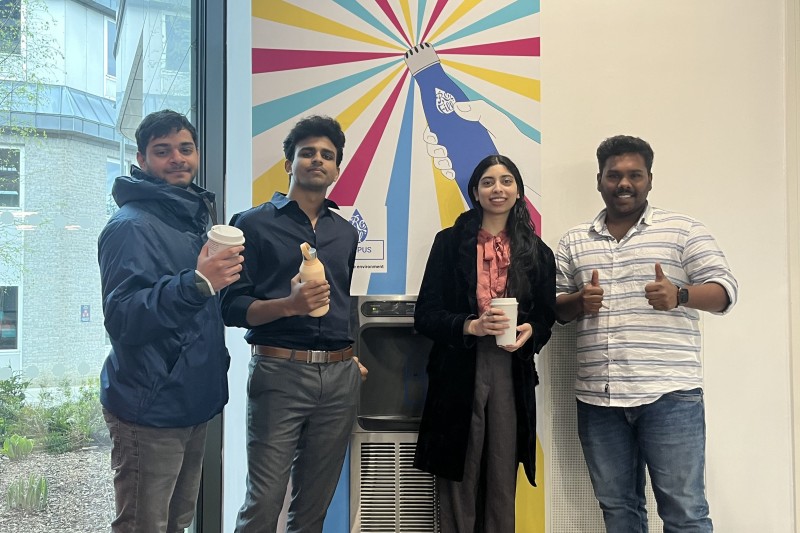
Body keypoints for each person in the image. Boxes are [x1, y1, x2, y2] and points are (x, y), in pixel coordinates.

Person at [554, 135, 739, 532]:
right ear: (599, 180)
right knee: (618, 510)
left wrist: (680, 294)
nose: (624, 183)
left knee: (685, 512)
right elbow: (555, 308)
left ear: (650, 180)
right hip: (598, 400)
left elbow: (725, 292)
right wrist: (577, 302)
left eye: (634, 175)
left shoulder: (683, 230)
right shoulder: (574, 240)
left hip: (669, 396)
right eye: (614, 175)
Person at [98, 109, 244, 533]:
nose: (177, 158)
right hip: (150, 403)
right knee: (144, 524)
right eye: (163, 151)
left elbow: (200, 312)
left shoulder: (192, 218)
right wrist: (198, 283)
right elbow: (123, 317)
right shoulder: (130, 226)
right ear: (142, 160)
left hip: (191, 398)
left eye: (186, 148)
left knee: (177, 521)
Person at [221, 115, 362, 533]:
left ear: (337, 168)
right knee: (263, 502)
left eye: (327, 155)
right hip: (279, 372)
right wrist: (288, 304)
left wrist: (353, 356)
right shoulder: (251, 223)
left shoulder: (345, 232)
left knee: (314, 505)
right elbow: (230, 308)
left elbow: (344, 302)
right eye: (307, 153)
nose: (317, 160)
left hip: (340, 376)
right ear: (289, 163)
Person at [413, 154, 556, 533]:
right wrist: (470, 326)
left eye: (507, 181)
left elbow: (545, 317)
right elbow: (425, 314)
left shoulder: (537, 252)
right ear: (475, 192)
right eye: (489, 182)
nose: (498, 189)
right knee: (458, 473)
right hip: (458, 370)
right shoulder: (448, 244)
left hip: (511, 370)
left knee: (501, 471)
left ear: (518, 191)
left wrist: (530, 333)